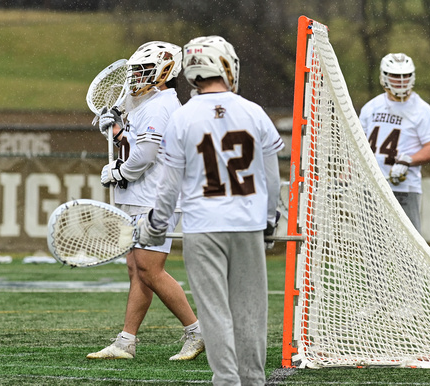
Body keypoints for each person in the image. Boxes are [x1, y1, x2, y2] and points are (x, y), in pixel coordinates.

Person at [137, 36, 284, 385]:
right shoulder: (253, 111)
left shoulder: (183, 117)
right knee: (250, 312)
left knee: (215, 312)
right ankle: (253, 379)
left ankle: (226, 381)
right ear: (226, 65)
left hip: (203, 227)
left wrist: (156, 225)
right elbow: (272, 178)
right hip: (247, 224)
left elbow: (169, 185)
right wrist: (268, 221)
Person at [87, 41, 204, 361]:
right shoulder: (143, 101)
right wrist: (112, 123)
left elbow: (146, 155)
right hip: (140, 197)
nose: (135, 77)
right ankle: (126, 341)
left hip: (154, 198)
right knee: (136, 269)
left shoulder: (161, 105)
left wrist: (118, 172)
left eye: (142, 71)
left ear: (164, 73)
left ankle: (196, 330)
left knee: (150, 269)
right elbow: (124, 135)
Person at [359, 53, 430, 232]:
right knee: (371, 249)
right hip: (372, 186)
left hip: (404, 187)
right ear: (384, 76)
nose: (401, 81)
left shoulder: (421, 109)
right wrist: (346, 175)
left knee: (411, 250)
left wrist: (407, 160)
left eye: (406, 75)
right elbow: (358, 146)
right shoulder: (371, 107)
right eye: (396, 76)